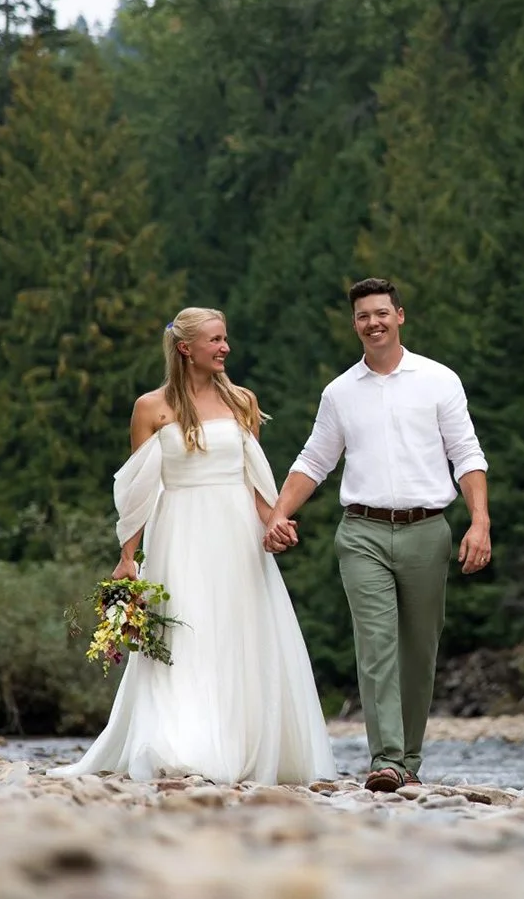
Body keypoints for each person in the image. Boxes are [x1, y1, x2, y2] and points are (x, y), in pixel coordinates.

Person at [52, 307, 335, 784]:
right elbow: (139, 489)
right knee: (184, 634)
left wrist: (275, 523)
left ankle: (242, 742)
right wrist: (127, 558)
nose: (225, 348)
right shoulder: (151, 408)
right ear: (186, 348)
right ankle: (180, 742)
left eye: (226, 339)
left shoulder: (243, 401)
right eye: (216, 340)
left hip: (236, 533)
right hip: (179, 530)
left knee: (238, 632)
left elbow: (254, 481)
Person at [262, 277, 491, 792]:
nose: (374, 322)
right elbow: (314, 460)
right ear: (355, 324)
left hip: (427, 531)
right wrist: (277, 513)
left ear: (400, 316)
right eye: (364, 315)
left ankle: (409, 758)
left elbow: (467, 454)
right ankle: (385, 760)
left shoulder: (438, 381)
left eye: (382, 313)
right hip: (361, 532)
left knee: (419, 650)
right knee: (376, 644)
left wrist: (480, 522)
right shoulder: (341, 392)